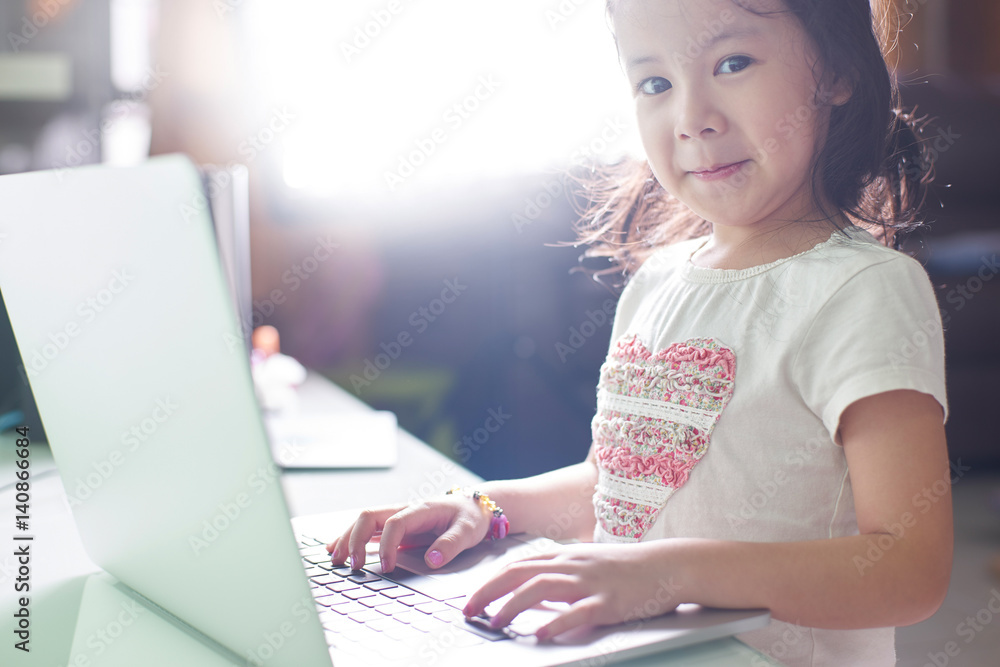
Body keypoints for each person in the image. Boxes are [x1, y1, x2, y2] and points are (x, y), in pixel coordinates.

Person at [327, 1, 951, 664]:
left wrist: (667, 574)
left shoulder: (864, 290)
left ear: (835, 70)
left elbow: (909, 570)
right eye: (655, 83)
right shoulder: (658, 282)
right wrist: (483, 505)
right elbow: (618, 489)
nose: (691, 118)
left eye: (733, 63)